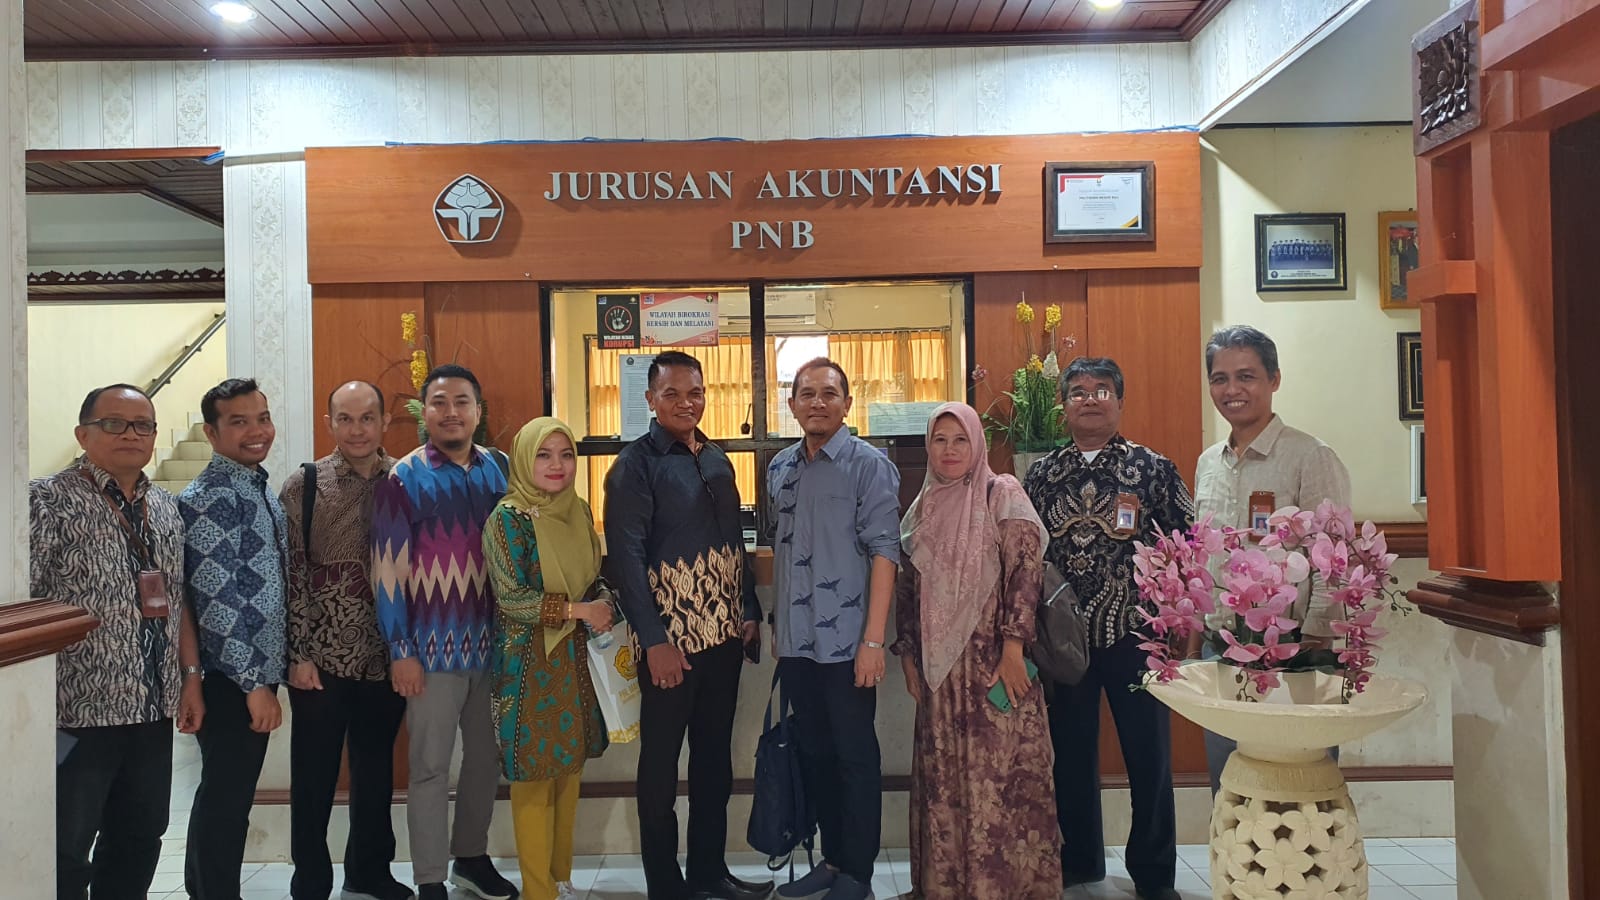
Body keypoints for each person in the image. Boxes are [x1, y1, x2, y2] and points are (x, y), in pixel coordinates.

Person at [1023, 357, 1193, 900]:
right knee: (1069, 755)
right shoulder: (1041, 474)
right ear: (1063, 406)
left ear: (1120, 400)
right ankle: (1078, 861)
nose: (1090, 399)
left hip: (1136, 633)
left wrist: (1180, 619)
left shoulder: (1153, 468)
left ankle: (1154, 874)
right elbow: (1025, 553)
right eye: (1078, 391)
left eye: (1101, 390)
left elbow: (1185, 545)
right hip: (1063, 640)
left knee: (1149, 758)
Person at [603, 351, 771, 900]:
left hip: (723, 638)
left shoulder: (717, 458)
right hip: (669, 645)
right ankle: (665, 884)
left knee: (713, 763)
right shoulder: (634, 466)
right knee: (659, 769)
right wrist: (654, 642)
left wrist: (748, 607)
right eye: (671, 393)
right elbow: (626, 560)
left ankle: (708, 873)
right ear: (650, 400)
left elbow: (734, 544)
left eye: (694, 392)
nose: (685, 403)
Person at [33, 384, 204, 900]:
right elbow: (21, 603)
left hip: (151, 706)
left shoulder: (166, 507)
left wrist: (190, 679)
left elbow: (177, 600)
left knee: (140, 836)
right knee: (64, 847)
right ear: (83, 434)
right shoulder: (46, 501)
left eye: (143, 425)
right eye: (114, 423)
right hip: (76, 710)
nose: (131, 434)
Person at [892, 403, 1061, 899]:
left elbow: (1026, 573)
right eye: (940, 440)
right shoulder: (922, 507)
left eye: (960, 439)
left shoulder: (1001, 493)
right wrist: (908, 656)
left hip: (995, 665)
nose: (949, 450)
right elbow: (909, 589)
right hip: (940, 675)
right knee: (944, 778)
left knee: (1002, 777)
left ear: (977, 443)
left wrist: (1014, 647)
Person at [373, 364, 519, 900]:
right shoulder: (403, 478)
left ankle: (471, 859)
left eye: (461, 402)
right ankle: (430, 877)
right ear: (425, 412)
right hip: (430, 653)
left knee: (486, 761)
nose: (451, 412)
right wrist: (401, 650)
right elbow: (387, 572)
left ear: (478, 411)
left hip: (495, 648)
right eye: (439, 402)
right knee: (430, 768)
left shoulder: (500, 469)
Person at [1195, 326, 1352, 792]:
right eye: (1220, 378)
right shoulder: (1208, 462)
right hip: (1221, 647)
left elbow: (1334, 558)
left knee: (1298, 788)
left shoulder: (1310, 456)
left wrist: (1317, 642)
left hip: (1295, 650)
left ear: (1274, 379)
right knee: (1232, 788)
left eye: (1246, 376)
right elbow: (1203, 555)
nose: (1232, 389)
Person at [768, 358, 901, 900]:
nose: (817, 402)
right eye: (807, 394)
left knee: (854, 757)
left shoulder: (869, 466)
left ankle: (858, 873)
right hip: (797, 644)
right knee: (816, 753)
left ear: (847, 403)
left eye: (829, 393)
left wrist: (873, 641)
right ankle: (831, 859)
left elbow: (885, 552)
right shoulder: (780, 467)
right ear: (792, 404)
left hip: (848, 645)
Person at [280, 381, 412, 900]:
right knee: (313, 776)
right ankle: (310, 880)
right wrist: (299, 654)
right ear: (330, 423)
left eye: (367, 418)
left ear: (384, 422)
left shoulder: (405, 479)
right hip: (322, 659)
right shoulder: (305, 485)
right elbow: (291, 572)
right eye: (345, 419)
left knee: (376, 770)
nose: (357, 430)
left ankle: (369, 872)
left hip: (385, 656)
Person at [484, 418, 615, 900]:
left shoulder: (577, 510)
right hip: (528, 666)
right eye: (543, 455)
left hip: (576, 659)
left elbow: (593, 575)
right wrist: (580, 610)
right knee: (534, 777)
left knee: (568, 771)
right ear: (524, 460)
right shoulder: (507, 519)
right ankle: (538, 890)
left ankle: (560, 878)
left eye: (565, 455)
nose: (556, 465)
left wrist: (603, 602)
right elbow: (511, 598)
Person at [180, 377, 290, 900]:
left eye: (262, 418)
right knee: (226, 800)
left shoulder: (254, 485)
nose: (256, 431)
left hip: (254, 671)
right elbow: (216, 602)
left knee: (227, 796)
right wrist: (252, 684)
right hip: (230, 677)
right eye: (239, 422)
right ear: (211, 432)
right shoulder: (211, 498)